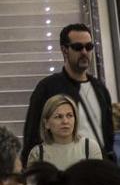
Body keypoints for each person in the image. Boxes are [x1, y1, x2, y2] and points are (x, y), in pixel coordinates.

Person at [22, 24, 114, 165]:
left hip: (96, 171)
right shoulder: (48, 88)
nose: (84, 52)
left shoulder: (100, 89)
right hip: (60, 170)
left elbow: (108, 135)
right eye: (78, 47)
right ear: (64, 50)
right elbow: (32, 133)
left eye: (89, 47)